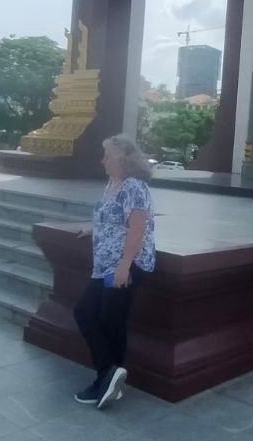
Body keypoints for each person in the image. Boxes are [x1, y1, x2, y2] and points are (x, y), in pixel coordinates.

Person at [73, 135, 157, 409]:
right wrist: (92, 229)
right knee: (88, 313)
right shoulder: (112, 184)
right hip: (105, 266)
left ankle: (106, 378)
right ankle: (111, 376)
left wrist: (125, 265)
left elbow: (137, 228)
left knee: (109, 317)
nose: (102, 160)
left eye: (107, 156)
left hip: (125, 265)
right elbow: (112, 219)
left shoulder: (134, 186)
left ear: (122, 159)